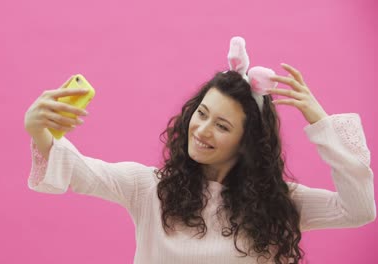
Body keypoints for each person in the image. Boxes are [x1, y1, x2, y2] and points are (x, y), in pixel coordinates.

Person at [23, 37, 376, 264]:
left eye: (222, 126)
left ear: (247, 142)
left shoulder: (280, 204)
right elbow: (79, 170)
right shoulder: (150, 189)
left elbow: (359, 209)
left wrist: (320, 122)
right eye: (201, 114)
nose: (202, 130)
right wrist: (37, 127)